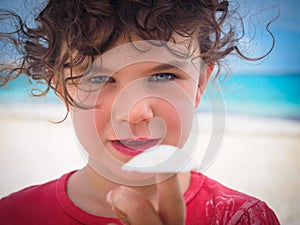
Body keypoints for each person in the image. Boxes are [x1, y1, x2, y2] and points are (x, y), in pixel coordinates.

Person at [0, 0, 280, 224]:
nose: (136, 113)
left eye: (164, 76)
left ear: (200, 85)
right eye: (98, 79)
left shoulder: (243, 218)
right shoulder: (12, 216)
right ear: (63, 91)